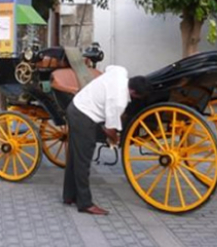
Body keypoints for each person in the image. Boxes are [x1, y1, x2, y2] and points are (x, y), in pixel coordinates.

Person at [63, 65, 151, 215]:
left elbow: (108, 68)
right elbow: (109, 129)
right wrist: (117, 140)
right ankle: (85, 203)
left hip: (76, 106)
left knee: (75, 156)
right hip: (84, 116)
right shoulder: (119, 102)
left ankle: (69, 196)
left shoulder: (120, 72)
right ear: (134, 93)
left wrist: (102, 90)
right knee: (83, 161)